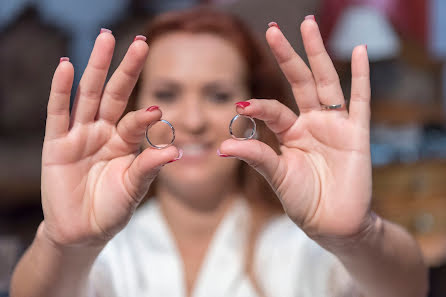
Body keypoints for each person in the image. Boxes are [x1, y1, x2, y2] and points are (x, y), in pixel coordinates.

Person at [10, 8, 428, 297]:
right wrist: (63, 245)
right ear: (136, 106)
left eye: (218, 94)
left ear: (253, 107)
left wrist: (358, 236)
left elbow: (405, 287)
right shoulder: (107, 250)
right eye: (168, 94)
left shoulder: (304, 243)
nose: (192, 120)